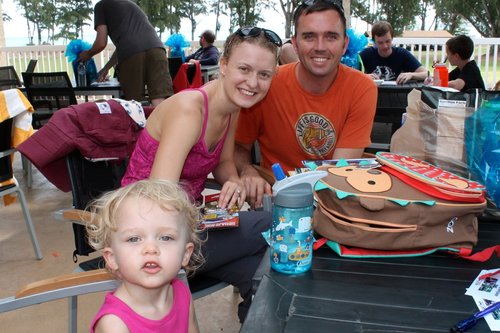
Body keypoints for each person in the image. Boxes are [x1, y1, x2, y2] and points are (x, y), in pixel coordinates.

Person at [120, 26, 282, 322]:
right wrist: (211, 218)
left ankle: (260, 323)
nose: (252, 82)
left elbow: (222, 163)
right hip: (147, 235)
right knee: (277, 223)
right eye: (244, 69)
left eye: (263, 74)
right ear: (223, 65)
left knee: (263, 275)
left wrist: (233, 181)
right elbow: (161, 197)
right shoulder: (189, 110)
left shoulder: (232, 108)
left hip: (184, 229)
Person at [234, 0, 378, 208]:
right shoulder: (267, 83)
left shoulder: (362, 88)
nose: (320, 47)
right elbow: (238, 146)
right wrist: (247, 170)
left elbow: (337, 171)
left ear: (345, 44)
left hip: (331, 202)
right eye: (309, 36)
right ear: (295, 43)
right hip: (276, 200)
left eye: (331, 36)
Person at [87, 179, 204, 333]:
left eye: (166, 238)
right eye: (134, 239)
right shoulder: (114, 324)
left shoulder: (182, 293)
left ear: (185, 253)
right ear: (112, 258)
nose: (151, 249)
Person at [78, 0, 173, 107]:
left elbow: (101, 42)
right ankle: (162, 123)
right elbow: (125, 46)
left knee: (135, 103)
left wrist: (88, 54)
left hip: (132, 55)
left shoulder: (101, 5)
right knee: (159, 99)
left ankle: (141, 123)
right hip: (157, 49)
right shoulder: (129, 4)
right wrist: (106, 68)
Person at [360, 21, 427, 84]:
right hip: (373, 93)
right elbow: (350, 74)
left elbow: (426, 73)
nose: (385, 46)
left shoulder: (401, 54)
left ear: (392, 38)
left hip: (396, 93)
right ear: (374, 41)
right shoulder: (367, 54)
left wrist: (411, 75)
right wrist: (364, 76)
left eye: (388, 41)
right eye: (380, 43)